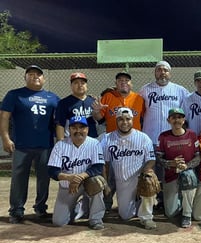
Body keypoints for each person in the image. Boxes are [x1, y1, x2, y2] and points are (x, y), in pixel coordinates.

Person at [0, 65, 59, 224]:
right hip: (21, 145)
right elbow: (4, 117)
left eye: (38, 74)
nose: (35, 77)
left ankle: (40, 209)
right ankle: (17, 210)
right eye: (31, 74)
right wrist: (5, 138)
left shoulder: (52, 97)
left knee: (43, 179)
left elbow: (59, 120)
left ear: (43, 78)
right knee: (19, 178)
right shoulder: (15, 95)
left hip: (45, 145)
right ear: (25, 78)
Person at [92, 71, 145, 211]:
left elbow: (144, 118)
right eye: (120, 80)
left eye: (126, 80)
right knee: (110, 175)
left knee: (133, 177)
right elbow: (99, 118)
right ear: (116, 84)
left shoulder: (139, 98)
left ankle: (136, 205)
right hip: (113, 142)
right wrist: (96, 111)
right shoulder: (108, 96)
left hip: (133, 144)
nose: (123, 82)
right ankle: (106, 205)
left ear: (131, 84)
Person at [100, 107, 157, 229]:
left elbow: (151, 159)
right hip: (122, 181)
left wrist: (145, 172)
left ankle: (146, 216)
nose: (124, 122)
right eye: (120, 119)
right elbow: (105, 163)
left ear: (133, 120)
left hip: (139, 177)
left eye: (128, 119)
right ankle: (139, 203)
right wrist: (106, 184)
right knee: (125, 215)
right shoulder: (107, 138)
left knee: (148, 180)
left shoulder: (143, 137)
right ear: (116, 121)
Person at [47, 116, 105, 229]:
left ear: (87, 129)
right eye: (74, 127)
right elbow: (52, 171)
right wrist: (69, 178)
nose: (78, 131)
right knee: (59, 222)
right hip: (67, 187)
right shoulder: (60, 145)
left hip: (87, 184)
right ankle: (82, 207)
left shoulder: (94, 143)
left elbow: (98, 167)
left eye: (82, 127)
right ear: (69, 129)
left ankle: (96, 219)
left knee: (96, 181)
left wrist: (79, 177)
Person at [156, 108, 200, 228]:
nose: (177, 120)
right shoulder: (163, 136)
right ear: (168, 120)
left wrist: (187, 166)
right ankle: (181, 200)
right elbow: (158, 159)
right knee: (171, 213)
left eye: (179, 117)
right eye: (174, 117)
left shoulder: (191, 134)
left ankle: (187, 214)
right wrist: (171, 163)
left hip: (187, 172)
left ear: (184, 119)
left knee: (188, 177)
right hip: (171, 175)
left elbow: (198, 157)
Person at [140, 61, 189, 145]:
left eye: (165, 70)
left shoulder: (180, 90)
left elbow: (193, 101)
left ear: (170, 74)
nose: (162, 72)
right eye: (159, 70)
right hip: (150, 137)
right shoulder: (144, 90)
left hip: (173, 138)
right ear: (155, 73)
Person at [55, 72, 99, 140]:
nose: (80, 85)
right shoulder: (64, 103)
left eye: (82, 83)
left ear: (86, 85)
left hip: (92, 139)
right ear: (71, 86)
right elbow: (60, 124)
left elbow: (100, 121)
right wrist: (60, 143)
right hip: (72, 140)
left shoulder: (93, 101)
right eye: (76, 83)